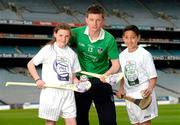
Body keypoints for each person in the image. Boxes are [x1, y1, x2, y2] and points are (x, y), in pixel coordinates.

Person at [70, 4, 120, 125]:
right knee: (80, 120)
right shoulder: (76, 33)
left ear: (103, 21)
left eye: (98, 20)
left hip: (101, 81)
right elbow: (60, 44)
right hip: (81, 82)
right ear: (86, 20)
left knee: (108, 121)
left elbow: (116, 65)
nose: (94, 23)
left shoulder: (109, 39)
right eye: (91, 20)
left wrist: (106, 75)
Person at [27, 24, 81, 125]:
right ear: (55, 34)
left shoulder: (72, 54)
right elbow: (30, 64)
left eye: (66, 36)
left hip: (68, 92)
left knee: (72, 122)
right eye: (61, 35)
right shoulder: (48, 49)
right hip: (51, 92)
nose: (63, 39)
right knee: (51, 123)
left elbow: (73, 76)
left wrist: (77, 82)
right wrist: (37, 79)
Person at [116, 25, 158, 125]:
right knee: (135, 123)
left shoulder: (145, 54)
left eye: (133, 37)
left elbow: (153, 76)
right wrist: (121, 88)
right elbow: (123, 73)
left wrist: (150, 89)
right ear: (123, 38)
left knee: (145, 123)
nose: (129, 40)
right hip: (129, 94)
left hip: (142, 93)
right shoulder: (122, 55)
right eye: (126, 37)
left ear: (138, 38)